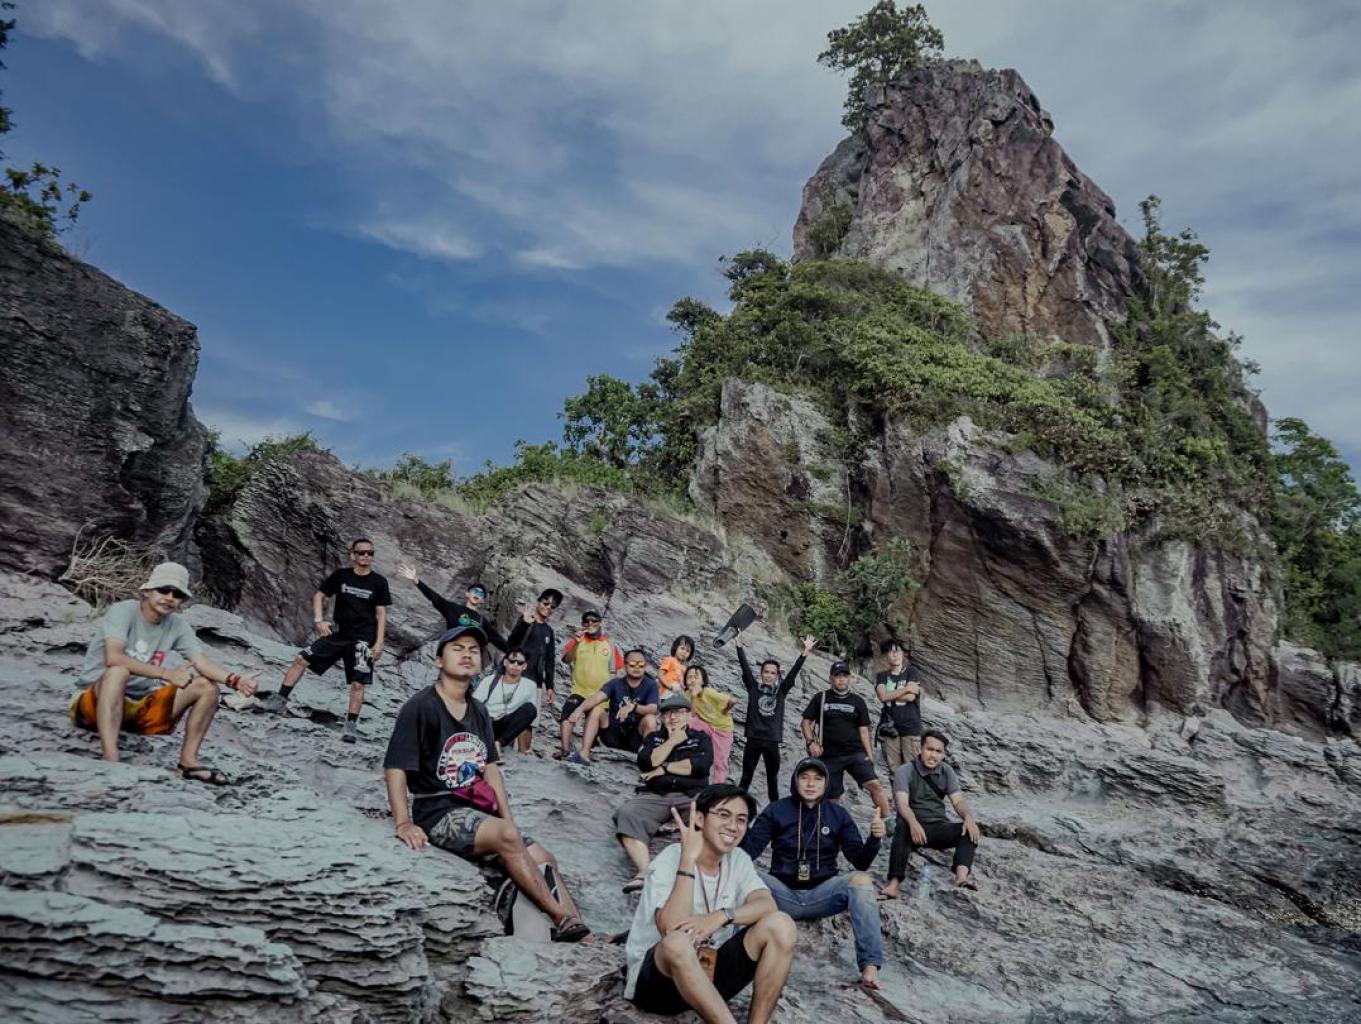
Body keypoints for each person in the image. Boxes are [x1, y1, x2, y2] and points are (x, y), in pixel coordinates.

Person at [383, 623, 589, 942]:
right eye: (457, 649)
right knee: (508, 836)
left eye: (473, 650)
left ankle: (582, 934)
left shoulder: (478, 710)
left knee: (544, 857)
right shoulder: (420, 707)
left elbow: (490, 769)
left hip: (478, 811)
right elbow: (396, 767)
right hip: (437, 812)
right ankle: (561, 918)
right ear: (439, 661)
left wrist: (508, 822)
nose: (467, 654)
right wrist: (403, 823)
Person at [71, 561, 259, 784]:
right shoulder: (124, 611)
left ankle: (188, 764)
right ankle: (110, 757)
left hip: (138, 709)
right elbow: (114, 657)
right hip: (93, 705)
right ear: (147, 592)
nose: (170, 597)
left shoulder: (176, 625)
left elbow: (200, 661)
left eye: (177, 594)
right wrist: (165, 674)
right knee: (118, 672)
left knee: (206, 687)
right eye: (163, 590)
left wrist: (234, 680)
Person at [623, 784, 796, 1024]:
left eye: (741, 820)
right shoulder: (671, 857)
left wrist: (721, 916)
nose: (732, 826)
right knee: (677, 943)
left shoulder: (738, 860)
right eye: (723, 815)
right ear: (700, 818)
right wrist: (688, 860)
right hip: (659, 984)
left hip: (709, 978)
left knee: (781, 924)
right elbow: (671, 927)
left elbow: (766, 904)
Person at [741, 758, 887, 989]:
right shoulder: (776, 810)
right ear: (795, 781)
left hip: (822, 895)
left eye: (818, 779)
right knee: (744, 876)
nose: (811, 784)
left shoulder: (838, 814)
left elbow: (860, 861)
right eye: (805, 777)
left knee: (861, 881)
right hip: (781, 895)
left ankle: (870, 968)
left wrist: (874, 839)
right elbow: (747, 854)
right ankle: (734, 957)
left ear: (826, 783)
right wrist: (737, 830)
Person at [256, 539, 391, 744]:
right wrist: (319, 620)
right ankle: (279, 701)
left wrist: (379, 643)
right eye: (361, 552)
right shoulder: (341, 575)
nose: (366, 556)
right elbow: (319, 596)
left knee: (358, 683)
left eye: (370, 553)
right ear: (352, 555)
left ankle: (350, 727)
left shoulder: (379, 582)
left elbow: (381, 613)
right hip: (338, 634)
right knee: (301, 659)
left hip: (363, 640)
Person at [614, 694, 713, 892]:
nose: (673, 718)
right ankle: (645, 873)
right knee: (627, 813)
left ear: (689, 715)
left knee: (708, 818)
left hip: (691, 794)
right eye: (667, 714)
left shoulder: (701, 739)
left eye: (678, 712)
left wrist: (664, 768)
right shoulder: (654, 738)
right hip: (657, 794)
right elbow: (647, 762)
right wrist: (673, 741)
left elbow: (700, 766)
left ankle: (693, 875)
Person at [885, 729, 981, 895]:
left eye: (938, 751)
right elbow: (902, 804)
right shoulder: (905, 771)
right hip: (912, 826)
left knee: (968, 830)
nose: (933, 755)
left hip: (937, 826)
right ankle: (894, 883)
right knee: (902, 826)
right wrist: (913, 823)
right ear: (920, 749)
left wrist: (968, 818)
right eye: (930, 749)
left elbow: (958, 801)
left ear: (943, 755)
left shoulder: (946, 771)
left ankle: (961, 878)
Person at [799, 662, 892, 819]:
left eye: (844, 676)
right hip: (829, 755)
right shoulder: (821, 698)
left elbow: (864, 730)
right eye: (837, 676)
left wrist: (869, 755)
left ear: (849, 678)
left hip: (855, 753)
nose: (841, 679)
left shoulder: (858, 701)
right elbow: (805, 722)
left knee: (875, 785)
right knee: (832, 796)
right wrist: (810, 742)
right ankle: (829, 826)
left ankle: (888, 822)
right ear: (831, 678)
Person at [735, 633, 813, 802]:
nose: (769, 675)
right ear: (761, 673)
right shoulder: (753, 688)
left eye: (772, 673)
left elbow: (793, 672)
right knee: (746, 778)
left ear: (777, 675)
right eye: (766, 672)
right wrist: (739, 645)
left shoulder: (781, 692)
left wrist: (805, 651)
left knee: (773, 781)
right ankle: (738, 808)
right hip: (753, 739)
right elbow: (744, 667)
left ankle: (776, 813)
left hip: (771, 741)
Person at [567, 649, 660, 764]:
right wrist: (579, 710)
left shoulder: (651, 685)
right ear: (625, 666)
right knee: (597, 710)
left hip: (635, 736)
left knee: (650, 719)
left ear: (645, 666)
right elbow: (597, 697)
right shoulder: (615, 683)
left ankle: (645, 758)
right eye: (632, 664)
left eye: (641, 665)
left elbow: (653, 708)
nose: (637, 668)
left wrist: (634, 707)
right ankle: (584, 753)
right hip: (613, 733)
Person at [555, 608, 623, 760]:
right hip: (580, 690)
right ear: (583, 624)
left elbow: (618, 670)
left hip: (601, 694)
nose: (590, 623)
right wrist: (576, 643)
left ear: (600, 623)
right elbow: (566, 659)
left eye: (594, 621)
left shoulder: (610, 644)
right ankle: (565, 749)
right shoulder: (577, 641)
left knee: (594, 719)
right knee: (567, 712)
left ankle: (586, 750)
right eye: (586, 621)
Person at [397, 565, 509, 652]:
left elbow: (500, 642)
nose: (477, 594)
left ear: (482, 600)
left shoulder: (482, 622)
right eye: (475, 591)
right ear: (467, 593)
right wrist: (416, 580)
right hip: (452, 653)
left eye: (481, 594)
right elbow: (434, 597)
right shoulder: (453, 609)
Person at [506, 587, 564, 733]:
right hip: (516, 677)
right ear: (538, 602)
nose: (548, 608)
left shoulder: (549, 631)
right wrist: (524, 623)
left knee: (529, 723)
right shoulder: (526, 620)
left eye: (552, 607)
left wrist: (549, 686)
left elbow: (550, 660)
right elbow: (510, 644)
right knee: (508, 718)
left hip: (535, 682)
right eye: (545, 603)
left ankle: (522, 750)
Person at [471, 647, 538, 754]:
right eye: (512, 661)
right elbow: (474, 705)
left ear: (524, 666)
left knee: (531, 709)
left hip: (506, 725)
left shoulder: (530, 686)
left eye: (520, 663)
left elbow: (526, 720)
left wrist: (524, 749)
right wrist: (490, 718)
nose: (515, 665)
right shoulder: (490, 680)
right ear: (505, 662)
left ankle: (498, 743)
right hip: (488, 723)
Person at [683, 665, 737, 784]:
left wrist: (725, 710)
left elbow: (733, 700)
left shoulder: (708, 692)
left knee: (720, 761)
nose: (692, 680)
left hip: (722, 730)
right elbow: (691, 714)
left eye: (696, 677)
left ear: (703, 681)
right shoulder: (687, 694)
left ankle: (717, 786)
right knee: (687, 719)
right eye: (689, 677)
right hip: (707, 726)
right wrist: (693, 696)